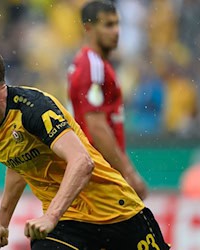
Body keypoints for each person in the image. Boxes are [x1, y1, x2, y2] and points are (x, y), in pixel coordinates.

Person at [0, 41, 169, 249]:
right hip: (65, 224)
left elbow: (82, 162)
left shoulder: (34, 108)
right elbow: (18, 164)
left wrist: (50, 215)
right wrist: (2, 222)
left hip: (116, 213)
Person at [67, 0, 148, 200]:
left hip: (95, 170)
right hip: (99, 173)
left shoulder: (90, 63)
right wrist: (128, 173)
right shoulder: (92, 66)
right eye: (108, 25)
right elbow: (96, 126)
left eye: (117, 24)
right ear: (88, 28)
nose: (116, 31)